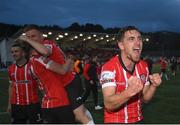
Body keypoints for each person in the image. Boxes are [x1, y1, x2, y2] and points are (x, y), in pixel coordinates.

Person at [19, 24, 94, 124]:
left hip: (69, 82)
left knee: (79, 114)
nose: (31, 39)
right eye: (28, 37)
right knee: (77, 113)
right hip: (63, 84)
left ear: (42, 36)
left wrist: (26, 39)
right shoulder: (35, 54)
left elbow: (45, 51)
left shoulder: (46, 43)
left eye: (33, 36)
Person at [100, 26, 162, 123]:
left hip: (138, 120)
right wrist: (129, 92)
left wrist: (153, 86)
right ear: (121, 45)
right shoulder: (109, 68)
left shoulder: (143, 66)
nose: (138, 43)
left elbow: (145, 99)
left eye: (139, 39)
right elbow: (109, 104)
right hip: (115, 121)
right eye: (131, 39)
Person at [7, 42, 42, 123]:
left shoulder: (32, 66)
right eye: (12, 52)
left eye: (16, 51)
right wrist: (9, 104)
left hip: (33, 104)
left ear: (23, 53)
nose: (13, 54)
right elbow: (11, 86)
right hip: (17, 105)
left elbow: (41, 84)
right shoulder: (11, 69)